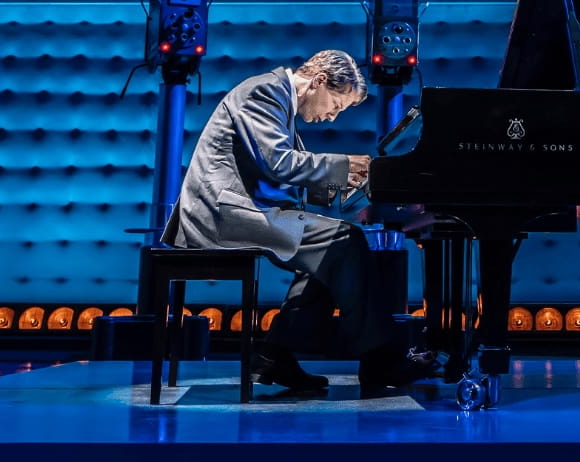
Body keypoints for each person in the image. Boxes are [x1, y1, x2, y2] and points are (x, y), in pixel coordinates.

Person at [161, 49, 432, 392]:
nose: (332, 117)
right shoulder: (264, 92)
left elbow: (281, 170)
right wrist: (345, 166)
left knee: (332, 252)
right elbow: (279, 162)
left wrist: (350, 188)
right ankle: (378, 360)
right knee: (343, 241)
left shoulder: (278, 102)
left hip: (241, 209)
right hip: (221, 215)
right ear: (319, 81)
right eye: (335, 105)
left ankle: (276, 354)